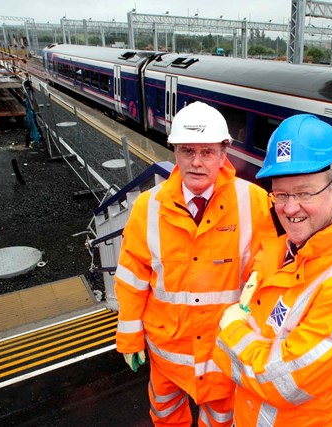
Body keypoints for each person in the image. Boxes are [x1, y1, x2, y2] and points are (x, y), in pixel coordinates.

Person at [213, 114, 332, 426]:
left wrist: (230, 331)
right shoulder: (281, 249)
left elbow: (285, 383)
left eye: (304, 193)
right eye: (281, 194)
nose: (289, 208)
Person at [114, 101, 276, 426]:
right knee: (165, 414)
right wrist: (129, 337)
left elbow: (270, 273)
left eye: (207, 152)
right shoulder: (148, 207)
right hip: (166, 351)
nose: (196, 162)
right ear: (174, 151)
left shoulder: (255, 203)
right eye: (187, 150)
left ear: (223, 152)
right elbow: (132, 276)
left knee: (220, 420)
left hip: (223, 352)